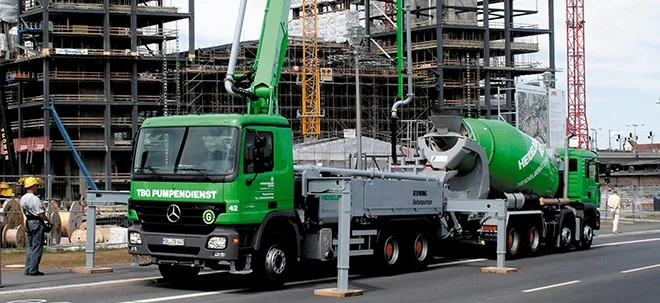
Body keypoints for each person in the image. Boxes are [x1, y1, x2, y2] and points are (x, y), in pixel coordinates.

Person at [20, 177, 53, 276]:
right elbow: (41, 214)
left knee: (30, 246)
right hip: (36, 222)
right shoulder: (35, 199)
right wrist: (49, 221)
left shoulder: (23, 198)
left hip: (28, 221)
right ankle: (33, 270)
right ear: (33, 186)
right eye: (36, 185)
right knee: (37, 246)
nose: (37, 187)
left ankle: (28, 269)